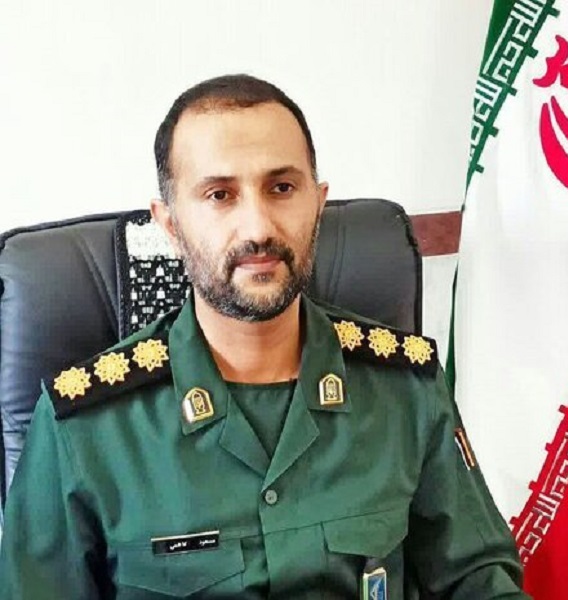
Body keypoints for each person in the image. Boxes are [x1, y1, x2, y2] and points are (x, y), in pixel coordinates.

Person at [0, 74, 529, 599]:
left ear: (317, 202)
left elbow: (477, 580)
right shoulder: (85, 428)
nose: (257, 228)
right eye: (219, 195)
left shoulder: (406, 391)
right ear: (170, 224)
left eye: (281, 188)